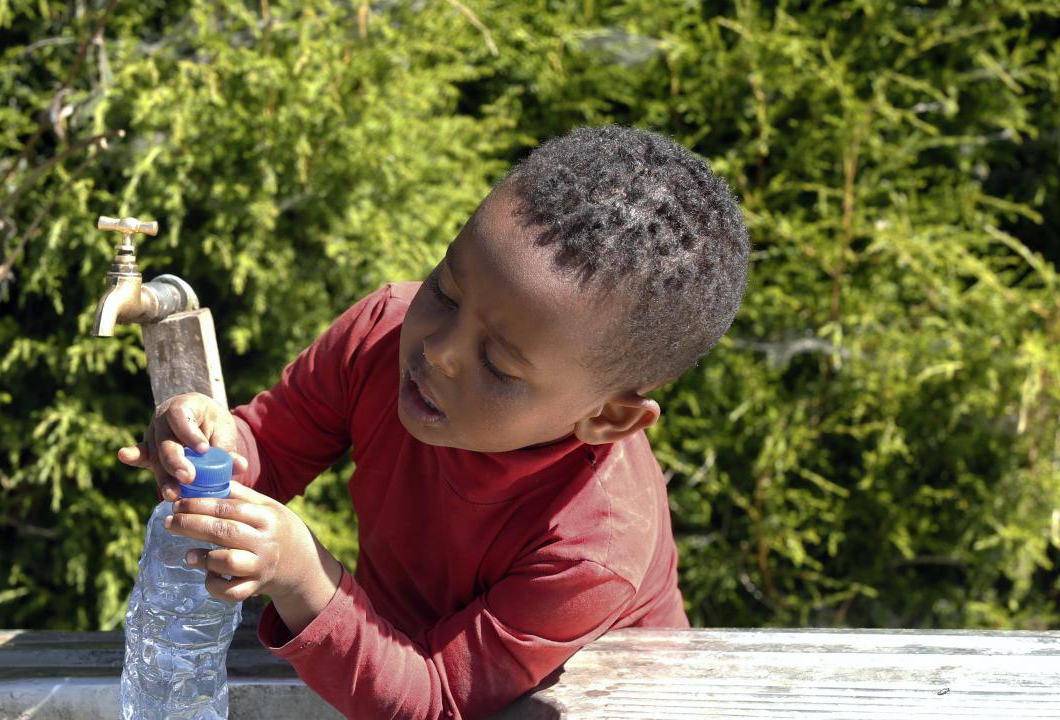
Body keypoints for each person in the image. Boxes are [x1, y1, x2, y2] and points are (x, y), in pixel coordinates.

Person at [117, 125, 750, 719]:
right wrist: (209, 444)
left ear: (608, 418)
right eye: (445, 291)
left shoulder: (592, 548)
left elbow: (440, 700)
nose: (438, 350)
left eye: (497, 363)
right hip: (395, 665)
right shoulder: (380, 339)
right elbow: (270, 448)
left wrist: (305, 580)